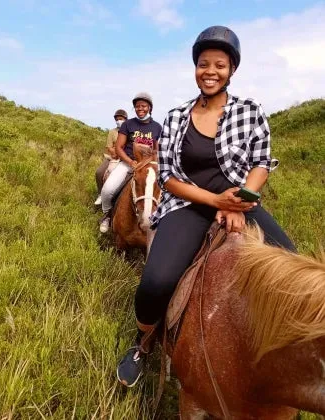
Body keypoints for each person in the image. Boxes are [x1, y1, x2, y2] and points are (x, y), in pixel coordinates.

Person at [116, 26, 296, 387]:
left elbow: (261, 162)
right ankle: (143, 342)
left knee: (290, 263)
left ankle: (281, 354)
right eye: (203, 64)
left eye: (219, 65)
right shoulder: (176, 116)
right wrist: (215, 201)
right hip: (188, 204)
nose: (210, 71)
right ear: (195, 68)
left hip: (239, 202)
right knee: (155, 280)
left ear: (231, 70)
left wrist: (240, 202)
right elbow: (167, 176)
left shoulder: (250, 111)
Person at [98, 93, 162, 233]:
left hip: (148, 167)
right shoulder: (128, 124)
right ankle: (107, 215)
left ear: (150, 108)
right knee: (107, 190)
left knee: (163, 193)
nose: (140, 108)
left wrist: (154, 165)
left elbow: (157, 151)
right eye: (137, 106)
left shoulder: (157, 127)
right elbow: (119, 148)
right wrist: (130, 161)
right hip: (128, 164)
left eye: (143, 106)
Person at [94, 109, 127, 206]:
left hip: (125, 157)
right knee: (99, 172)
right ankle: (100, 194)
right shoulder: (112, 132)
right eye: (117, 119)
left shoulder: (129, 131)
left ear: (125, 119)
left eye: (120, 119)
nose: (118, 121)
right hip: (113, 157)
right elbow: (109, 146)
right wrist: (114, 153)